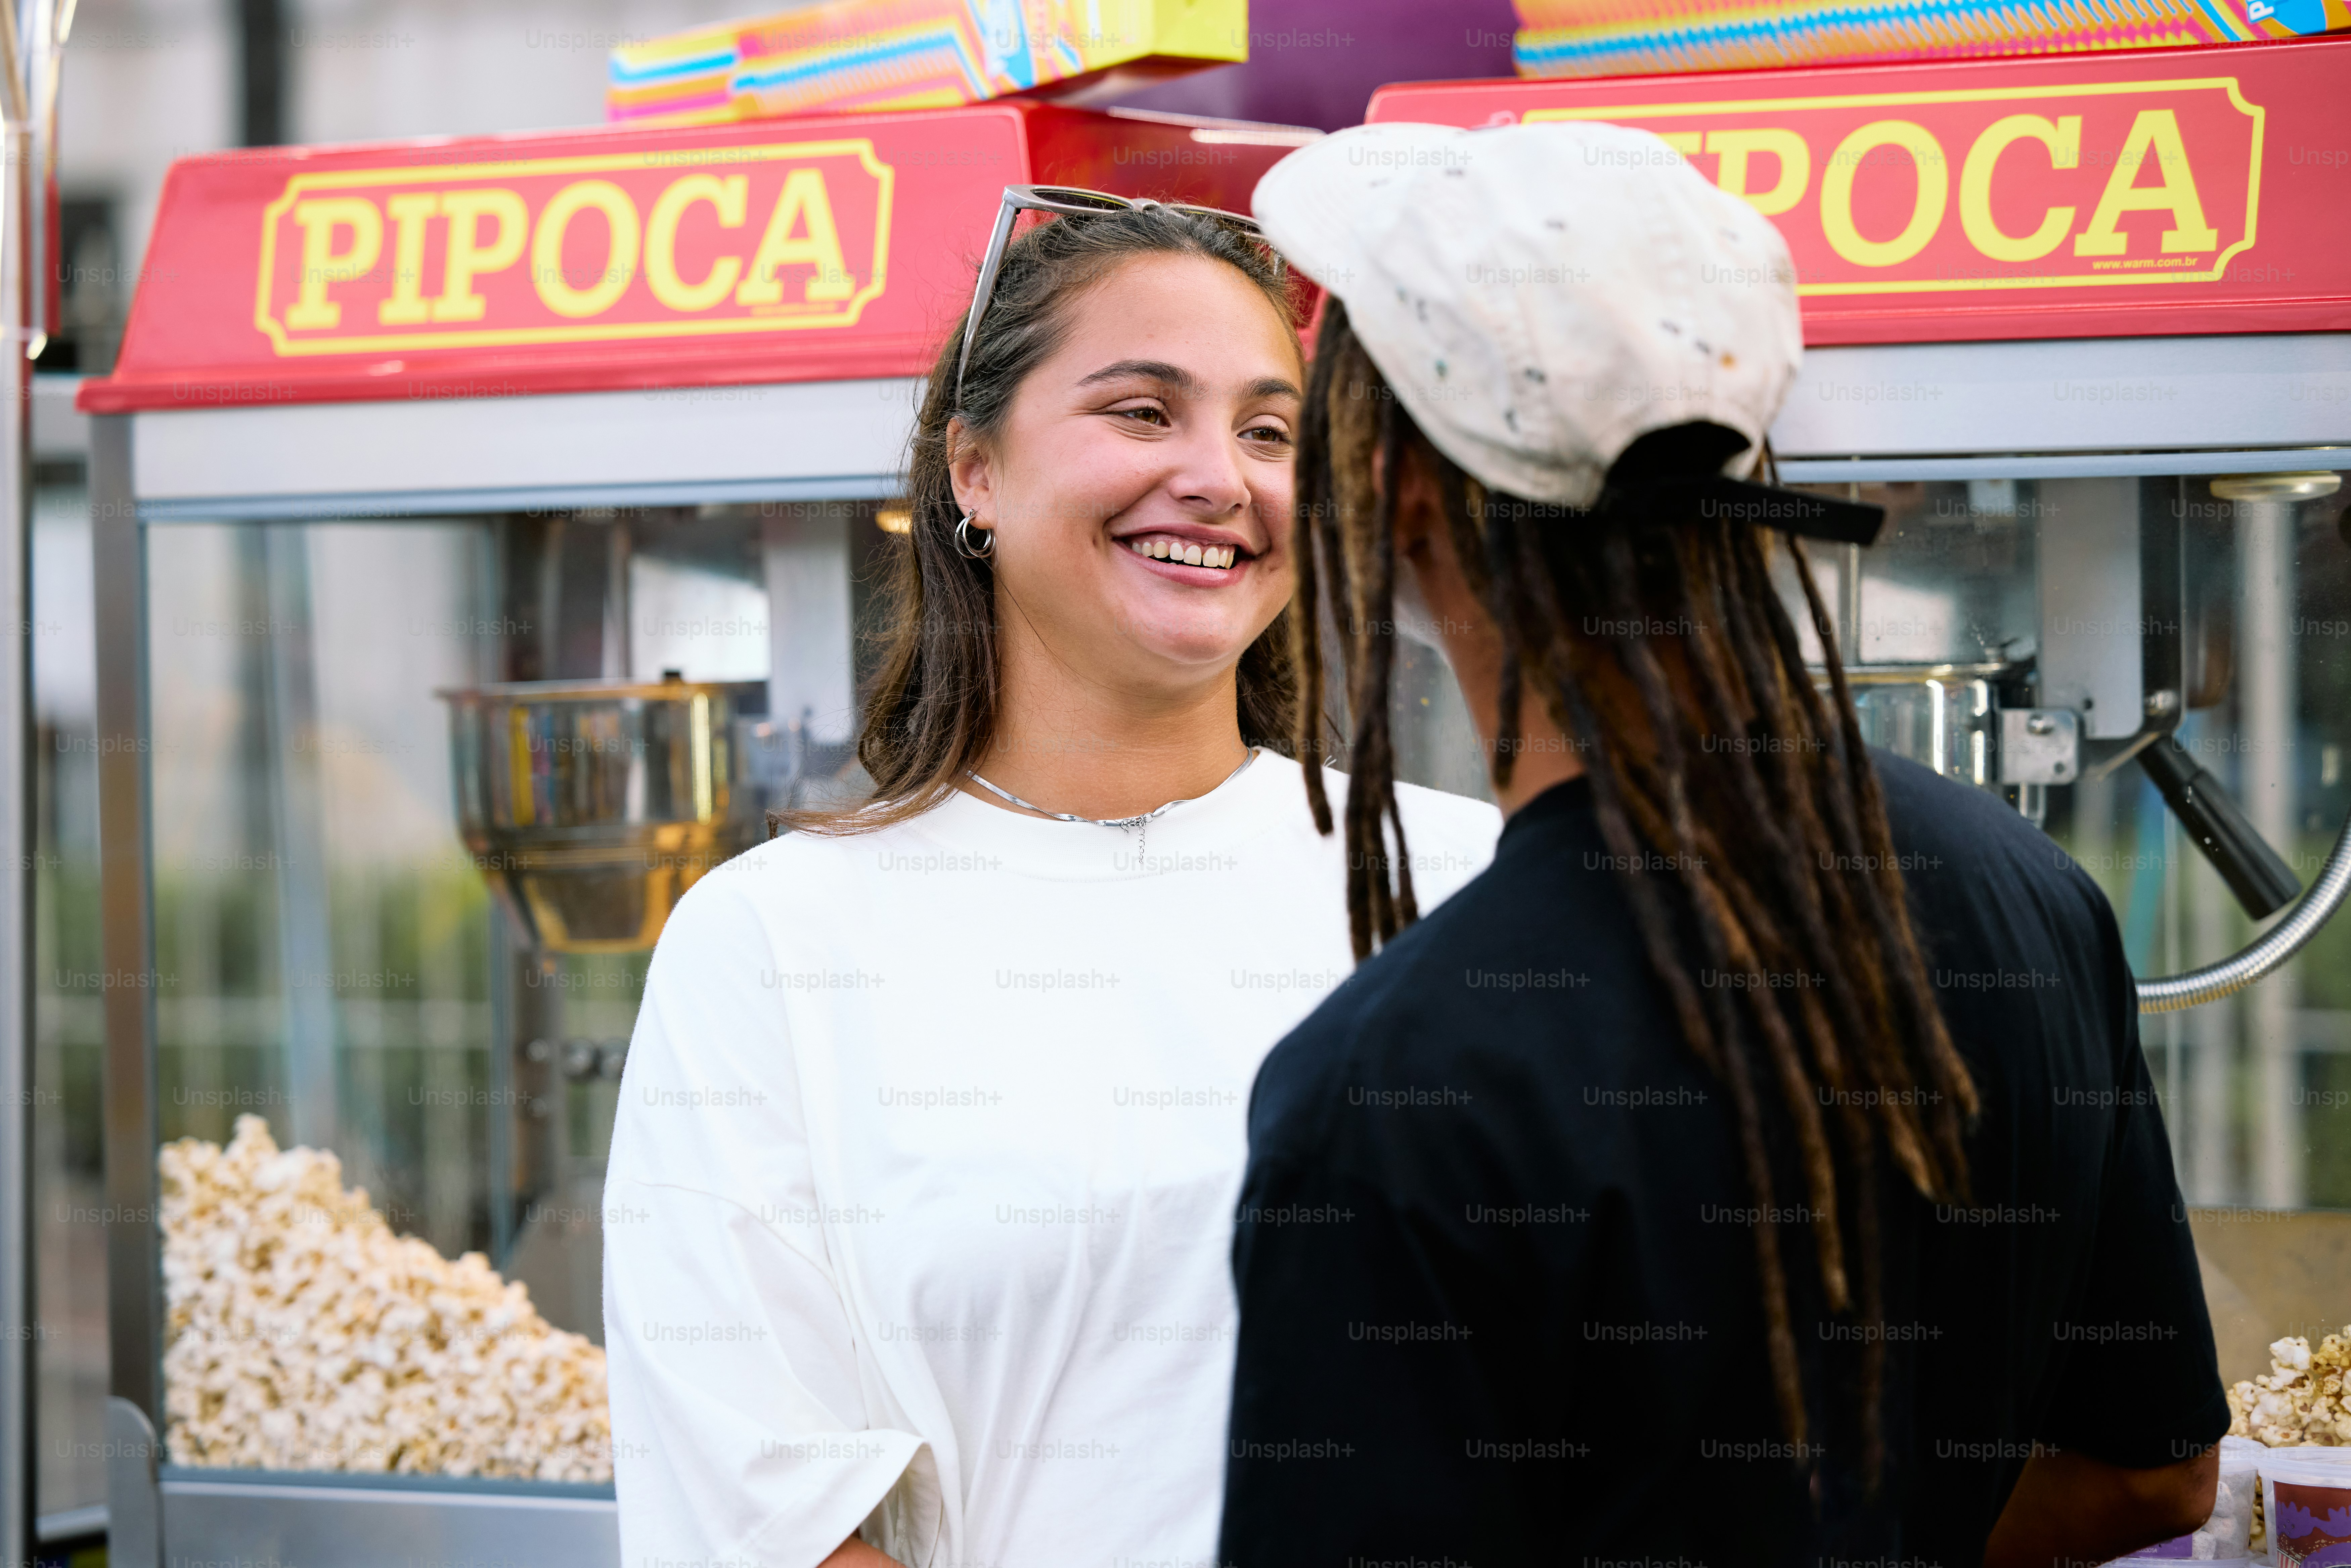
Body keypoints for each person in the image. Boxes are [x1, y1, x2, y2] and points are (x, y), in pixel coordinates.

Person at [1217, 122, 2226, 1568]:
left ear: (1394, 495)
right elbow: (2152, 1477)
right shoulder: (2027, 900)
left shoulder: (1403, 1089)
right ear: (1740, 459)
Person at [601, 187, 1502, 1568]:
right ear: (974, 470)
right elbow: (761, 1517)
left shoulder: (1461, 881)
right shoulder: (773, 945)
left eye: (1269, 430)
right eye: (1143, 412)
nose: (1220, 475)